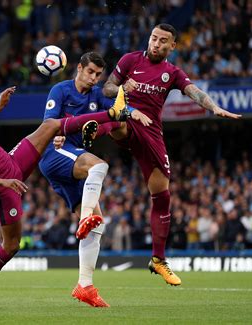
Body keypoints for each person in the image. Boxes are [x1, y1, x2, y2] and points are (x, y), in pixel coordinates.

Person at [0, 81, 127, 309]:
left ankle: (111, 114)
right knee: (11, 245)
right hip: (4, 189)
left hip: (13, 161)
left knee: (50, 125)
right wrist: (4, 182)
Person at [102, 23, 241, 286]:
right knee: (116, 120)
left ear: (172, 46)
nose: (156, 43)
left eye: (163, 41)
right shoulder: (129, 60)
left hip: (152, 134)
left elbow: (195, 92)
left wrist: (214, 108)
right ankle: (89, 131)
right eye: (154, 38)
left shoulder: (172, 73)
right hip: (129, 121)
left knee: (162, 196)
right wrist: (122, 89)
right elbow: (107, 88)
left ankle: (158, 260)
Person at [39, 52, 149, 307]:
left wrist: (132, 113)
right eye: (90, 72)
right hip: (55, 153)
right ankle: (86, 215)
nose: (93, 78)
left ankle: (85, 286)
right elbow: (48, 122)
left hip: (73, 164)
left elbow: (118, 109)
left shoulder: (97, 95)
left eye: (98, 74)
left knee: (98, 227)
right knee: (99, 166)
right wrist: (56, 133)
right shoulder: (61, 90)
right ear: (78, 68)